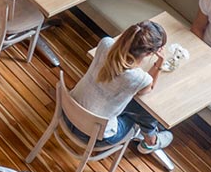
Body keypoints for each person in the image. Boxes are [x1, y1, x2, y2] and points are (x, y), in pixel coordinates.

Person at [69, 21, 173, 154]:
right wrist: (159, 64)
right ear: (148, 53)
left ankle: (149, 136)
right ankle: (150, 140)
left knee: (127, 100)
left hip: (68, 112)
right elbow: (149, 87)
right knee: (143, 110)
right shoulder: (138, 78)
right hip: (91, 135)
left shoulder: (105, 43)